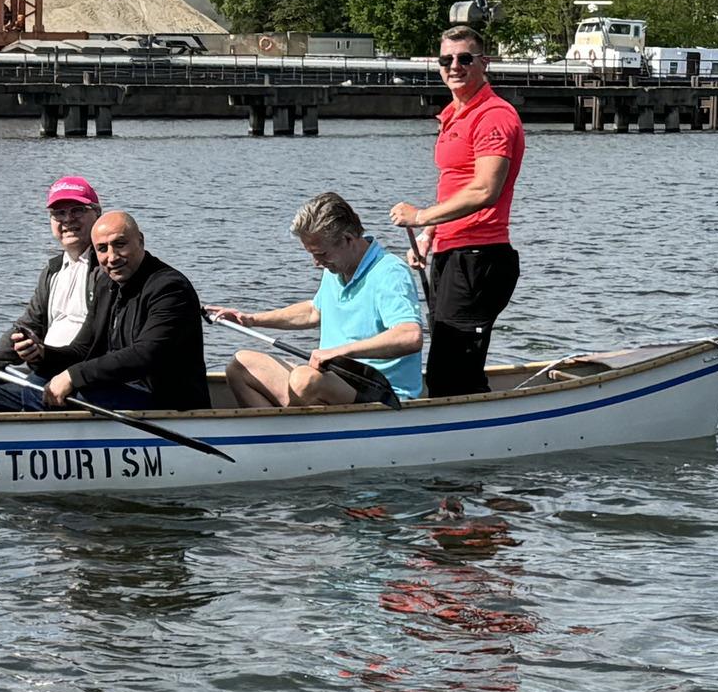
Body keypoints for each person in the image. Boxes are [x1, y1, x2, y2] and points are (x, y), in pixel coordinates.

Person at [389, 25, 524, 397]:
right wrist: (429, 235)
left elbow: (485, 190)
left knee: (452, 371)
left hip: (479, 257)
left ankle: (481, 441)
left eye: (465, 58)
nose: (455, 66)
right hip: (454, 252)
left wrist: (420, 217)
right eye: (446, 59)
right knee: (447, 366)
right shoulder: (454, 115)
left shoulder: (494, 116)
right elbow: (455, 181)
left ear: (484, 63)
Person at [210, 193, 424, 407]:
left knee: (304, 379)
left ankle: (292, 435)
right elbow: (314, 312)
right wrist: (251, 319)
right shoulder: (336, 267)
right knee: (240, 365)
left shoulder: (390, 272)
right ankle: (280, 438)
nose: (316, 263)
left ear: (348, 239)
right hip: (335, 381)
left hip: (381, 392)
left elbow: (410, 336)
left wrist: (339, 351)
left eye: (321, 254)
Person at [0, 175, 105, 412]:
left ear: (97, 214)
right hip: (44, 372)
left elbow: (95, 341)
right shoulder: (53, 271)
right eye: (58, 214)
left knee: (29, 391)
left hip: (80, 381)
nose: (67, 220)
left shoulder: (108, 270)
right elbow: (24, 327)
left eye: (77, 211)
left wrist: (44, 356)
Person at [39, 211, 208, 412]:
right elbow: (83, 350)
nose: (112, 257)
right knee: (24, 385)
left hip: (168, 405)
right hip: (122, 390)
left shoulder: (170, 288)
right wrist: (41, 354)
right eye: (102, 249)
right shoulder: (106, 284)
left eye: (119, 244)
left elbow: (145, 355)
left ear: (140, 241)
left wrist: (73, 376)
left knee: (73, 394)